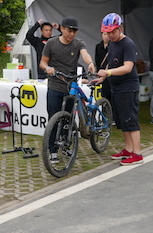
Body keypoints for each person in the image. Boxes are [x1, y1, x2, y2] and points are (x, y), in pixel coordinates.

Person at [39, 16, 95, 163]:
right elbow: (42, 63)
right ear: (62, 29)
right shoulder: (51, 43)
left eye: (74, 31)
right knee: (54, 118)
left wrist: (90, 63)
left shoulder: (78, 43)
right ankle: (52, 151)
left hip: (71, 87)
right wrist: (48, 68)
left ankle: (65, 145)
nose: (72, 34)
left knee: (68, 119)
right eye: (69, 31)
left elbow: (85, 54)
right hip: (55, 86)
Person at [93, 13, 143, 166]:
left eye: (113, 31)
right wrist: (103, 78)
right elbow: (111, 63)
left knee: (131, 120)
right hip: (116, 87)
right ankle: (128, 149)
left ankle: (137, 153)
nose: (110, 35)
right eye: (107, 32)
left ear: (120, 28)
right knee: (122, 121)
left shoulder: (128, 44)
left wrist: (107, 73)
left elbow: (128, 67)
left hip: (128, 88)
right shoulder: (112, 43)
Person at [95, 32, 110, 101]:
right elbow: (97, 60)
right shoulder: (98, 46)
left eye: (107, 34)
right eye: (104, 34)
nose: (106, 36)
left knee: (110, 92)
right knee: (102, 92)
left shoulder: (112, 46)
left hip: (110, 72)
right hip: (101, 72)